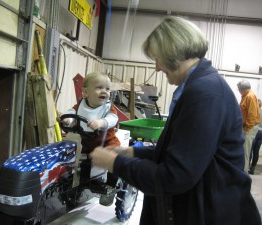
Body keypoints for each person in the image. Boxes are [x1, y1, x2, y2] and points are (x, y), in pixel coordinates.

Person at [90, 16, 261, 225]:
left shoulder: (205, 94)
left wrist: (115, 163)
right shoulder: (198, 87)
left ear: (173, 52)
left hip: (210, 213)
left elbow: (175, 176)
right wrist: (133, 152)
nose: (156, 67)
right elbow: (183, 150)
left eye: (158, 58)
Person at [60, 71, 120, 206]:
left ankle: (111, 186)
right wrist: (68, 119)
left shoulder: (108, 107)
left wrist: (101, 123)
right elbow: (71, 112)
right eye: (99, 88)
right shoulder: (80, 105)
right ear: (86, 93)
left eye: (107, 88)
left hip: (106, 142)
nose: (104, 91)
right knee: (69, 151)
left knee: (115, 157)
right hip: (85, 142)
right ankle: (72, 182)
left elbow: (113, 119)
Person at [237, 79, 260, 173]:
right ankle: (242, 171)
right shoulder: (245, 96)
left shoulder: (250, 96)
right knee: (244, 151)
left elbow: (252, 114)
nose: (238, 90)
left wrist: (247, 128)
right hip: (246, 127)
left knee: (246, 152)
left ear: (243, 88)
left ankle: (244, 173)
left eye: (238, 89)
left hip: (249, 128)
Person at [249, 98, 262, 174]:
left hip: (254, 131)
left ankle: (246, 167)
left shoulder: (255, 111)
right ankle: (252, 169)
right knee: (256, 152)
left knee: (250, 149)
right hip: (261, 132)